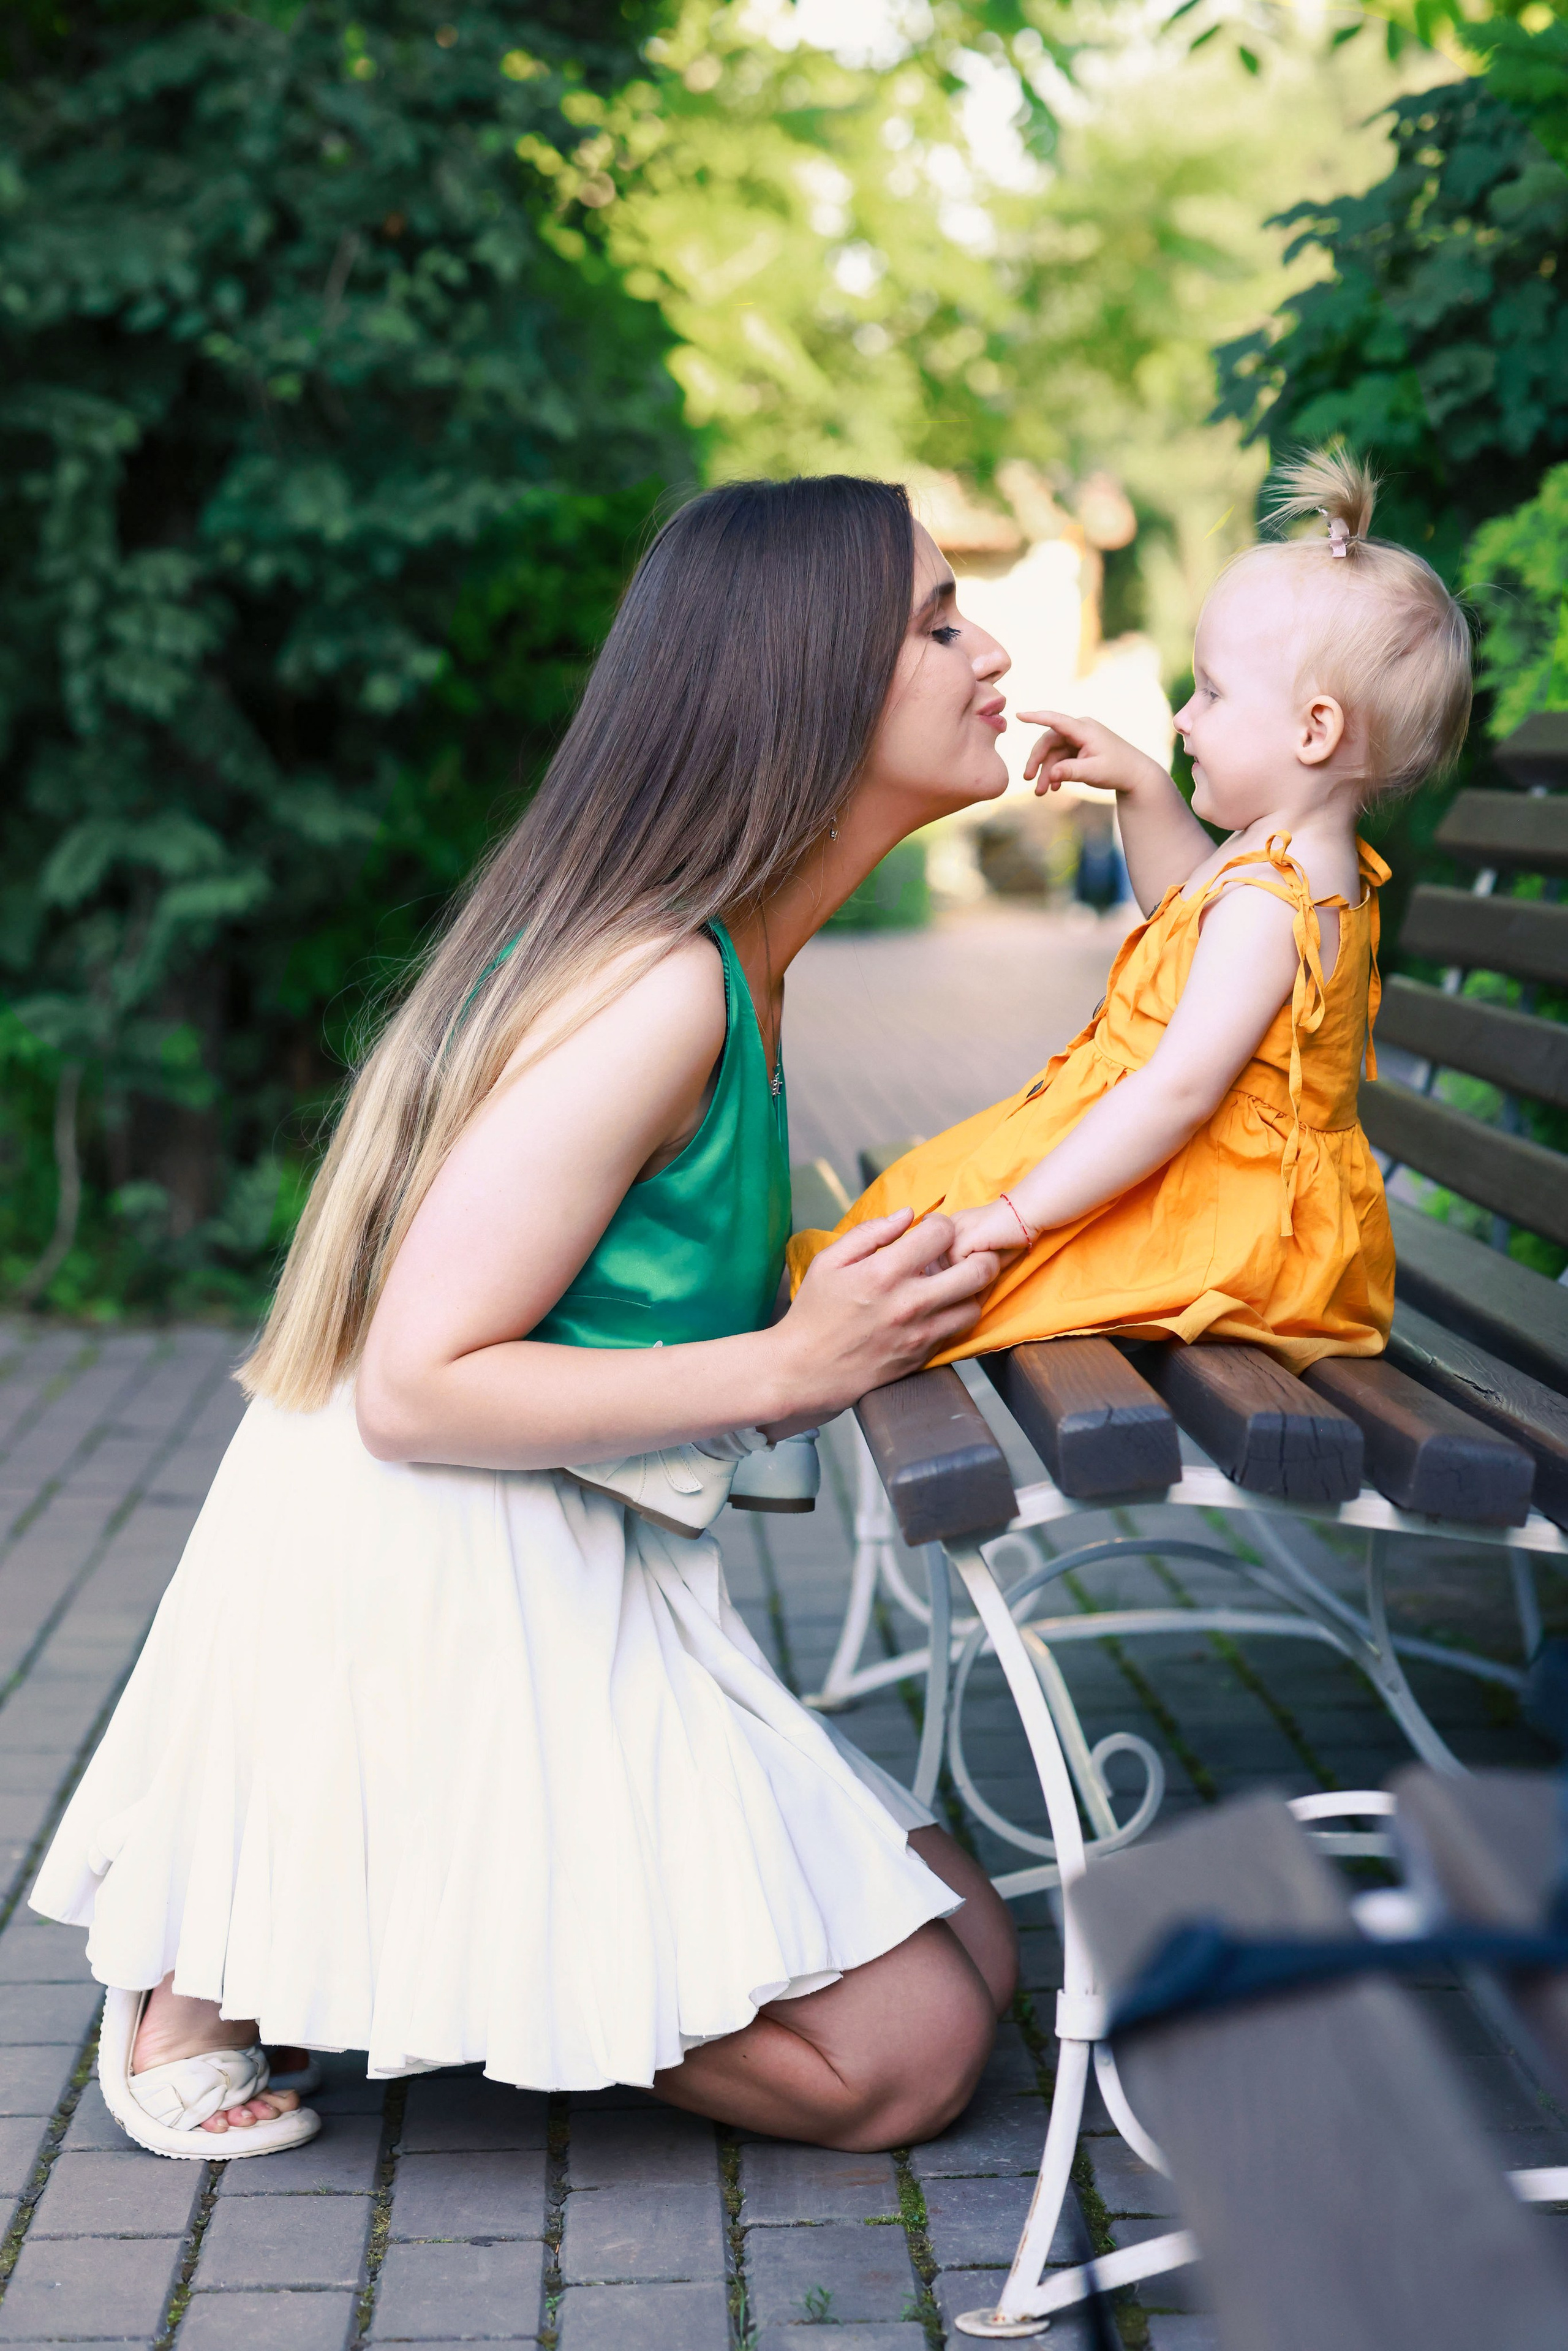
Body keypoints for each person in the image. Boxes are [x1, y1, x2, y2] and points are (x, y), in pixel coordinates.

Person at [31, 476, 1021, 2160]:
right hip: (428, 1566)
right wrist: (797, 1360)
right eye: (935, 624)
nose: (988, 650)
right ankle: (269, 1928)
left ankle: (352, 1897)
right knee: (913, 2052)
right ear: (805, 682)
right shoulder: (658, 987)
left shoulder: (744, 964)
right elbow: (415, 1385)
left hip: (567, 1553)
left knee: (984, 1951)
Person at [791, 447, 1473, 1372]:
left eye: (1213, 694)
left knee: (947, 1253)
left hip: (1233, 1225)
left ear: (1315, 729)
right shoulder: (1287, 862)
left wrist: (1018, 1217)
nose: (1185, 717)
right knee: (922, 1201)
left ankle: (753, 1399)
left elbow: (1178, 1092)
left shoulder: (1277, 900)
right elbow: (1188, 912)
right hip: (1224, 1189)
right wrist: (1142, 784)